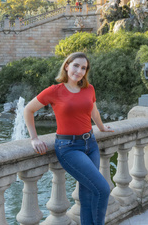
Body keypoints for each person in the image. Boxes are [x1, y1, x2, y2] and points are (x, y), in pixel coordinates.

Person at [24, 52, 113, 225]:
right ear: (67, 66)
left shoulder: (89, 89)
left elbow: (93, 111)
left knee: (88, 193)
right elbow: (28, 109)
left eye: (83, 68)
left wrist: (102, 127)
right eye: (76, 65)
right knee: (102, 189)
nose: (79, 71)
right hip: (69, 147)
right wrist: (34, 138)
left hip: (91, 144)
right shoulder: (54, 91)